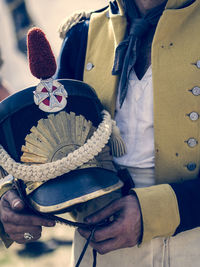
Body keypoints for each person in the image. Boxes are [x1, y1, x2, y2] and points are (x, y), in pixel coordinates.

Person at [1, 0, 200, 266]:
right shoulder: (82, 34)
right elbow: (50, 154)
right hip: (101, 249)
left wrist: (154, 213)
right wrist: (12, 199)